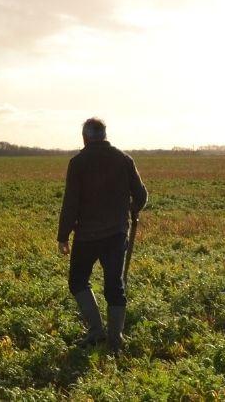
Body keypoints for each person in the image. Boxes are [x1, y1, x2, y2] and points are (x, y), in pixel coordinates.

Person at [57, 117, 147, 353]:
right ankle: (115, 341)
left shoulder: (78, 163)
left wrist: (63, 235)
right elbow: (142, 195)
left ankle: (96, 331)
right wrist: (133, 209)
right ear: (105, 135)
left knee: (77, 281)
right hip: (117, 234)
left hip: (87, 236)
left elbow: (70, 203)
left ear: (85, 137)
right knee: (115, 286)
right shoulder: (124, 159)